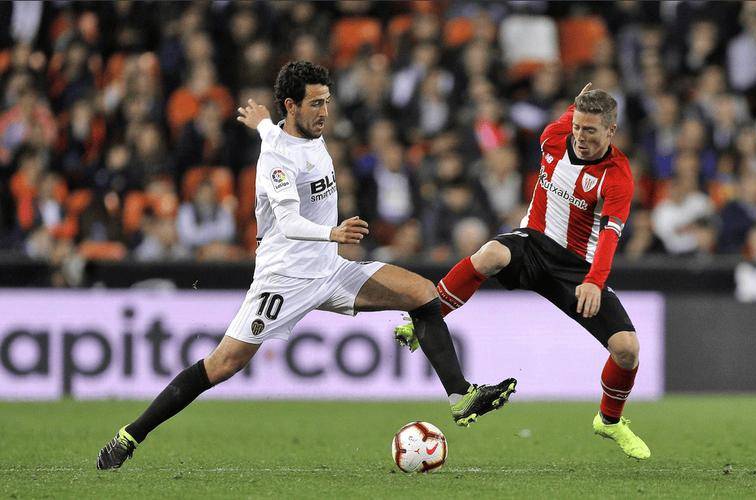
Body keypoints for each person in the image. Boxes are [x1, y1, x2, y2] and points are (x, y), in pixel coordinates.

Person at [96, 61, 516, 470]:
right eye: (316, 103)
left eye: (327, 101)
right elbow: (289, 222)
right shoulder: (276, 159)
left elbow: (275, 132)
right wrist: (333, 232)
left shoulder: (297, 133)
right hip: (285, 278)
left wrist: (262, 122)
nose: (325, 112)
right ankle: (130, 435)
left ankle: (461, 397)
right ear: (292, 106)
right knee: (223, 364)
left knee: (422, 293)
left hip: (330, 269)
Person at [395, 83, 651, 460]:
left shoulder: (618, 176)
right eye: (577, 127)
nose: (580, 137)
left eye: (591, 130)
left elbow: (611, 235)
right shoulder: (553, 137)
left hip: (577, 269)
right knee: (490, 254)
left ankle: (609, 421)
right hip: (532, 242)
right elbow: (570, 115)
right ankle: (424, 317)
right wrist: (574, 106)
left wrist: (595, 281)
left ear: (611, 131)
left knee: (627, 350)